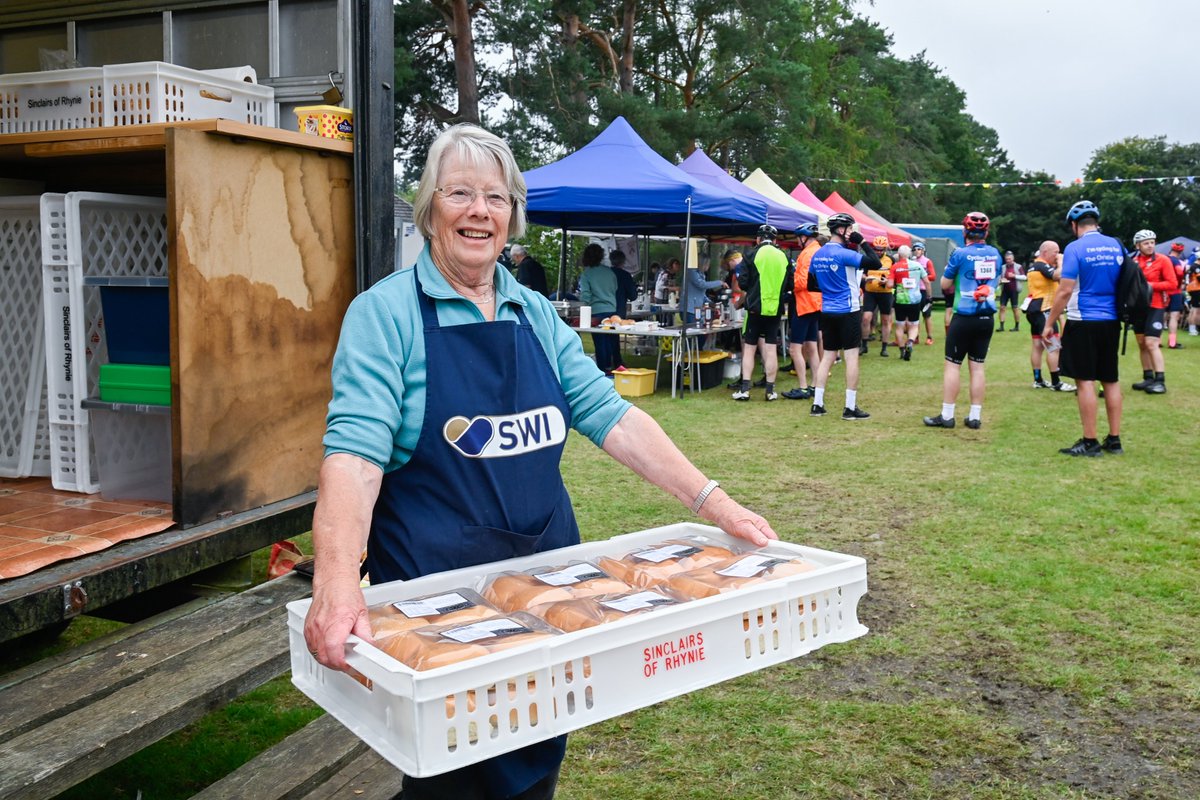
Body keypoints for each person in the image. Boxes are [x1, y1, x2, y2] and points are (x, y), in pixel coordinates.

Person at [303, 123, 778, 800]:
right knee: (455, 769)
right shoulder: (386, 317)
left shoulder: (534, 313)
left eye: (495, 198)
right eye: (460, 193)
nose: (479, 211)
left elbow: (613, 418)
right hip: (440, 605)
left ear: (512, 216)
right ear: (431, 207)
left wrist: (715, 502)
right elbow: (354, 460)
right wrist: (337, 580)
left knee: (535, 748)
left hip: (546, 589)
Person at [1042, 200, 1124, 457]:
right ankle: (1114, 439)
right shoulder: (1117, 245)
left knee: (1086, 381)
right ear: (1097, 222)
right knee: (1110, 380)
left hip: (1082, 319)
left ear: (1075, 225)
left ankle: (1090, 441)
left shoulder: (1075, 248)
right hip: (1111, 320)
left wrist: (1049, 322)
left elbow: (1065, 290)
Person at [923, 212, 1000, 430]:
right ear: (986, 232)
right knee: (977, 368)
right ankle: (975, 417)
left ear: (964, 231)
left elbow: (945, 284)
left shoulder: (960, 254)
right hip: (986, 317)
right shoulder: (995, 253)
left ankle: (947, 416)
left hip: (964, 316)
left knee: (953, 366)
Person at [808, 212, 880, 420]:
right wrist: (863, 241)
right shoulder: (845, 254)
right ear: (841, 230)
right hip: (848, 310)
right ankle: (850, 407)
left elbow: (811, 284)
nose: (852, 233)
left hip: (827, 310)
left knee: (828, 356)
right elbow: (874, 263)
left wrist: (829, 288)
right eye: (849, 229)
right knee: (851, 357)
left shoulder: (818, 254)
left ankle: (817, 404)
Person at [732, 224, 789, 401]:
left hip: (755, 308)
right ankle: (770, 391)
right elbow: (791, 285)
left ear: (758, 239)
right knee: (771, 348)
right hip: (775, 309)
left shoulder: (751, 254)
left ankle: (745, 389)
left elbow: (742, 284)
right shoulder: (783, 256)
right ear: (775, 240)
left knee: (749, 349)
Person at [1024, 240, 1075, 392]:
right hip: (1044, 309)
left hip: (1034, 310)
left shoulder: (1034, 266)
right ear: (1045, 252)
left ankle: (1038, 379)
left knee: (1038, 346)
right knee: (1054, 347)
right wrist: (1061, 262)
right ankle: (1056, 382)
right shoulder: (1041, 265)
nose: (1057, 255)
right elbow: (1057, 275)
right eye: (1055, 252)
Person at [1130, 229, 1174, 394]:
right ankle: (1148, 377)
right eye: (1146, 243)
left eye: (1152, 242)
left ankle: (1160, 380)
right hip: (1138, 308)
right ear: (1138, 245)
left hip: (1156, 305)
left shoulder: (1163, 260)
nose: (1150, 246)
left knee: (1151, 343)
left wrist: (1149, 286)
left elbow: (1172, 284)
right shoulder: (1133, 261)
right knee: (1142, 344)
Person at [783, 222, 822, 399]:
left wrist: (791, 287)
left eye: (799, 238)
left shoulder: (807, 254)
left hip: (804, 304)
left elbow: (803, 281)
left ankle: (803, 387)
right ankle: (816, 385)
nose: (798, 241)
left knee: (794, 349)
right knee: (812, 347)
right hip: (816, 304)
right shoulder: (819, 251)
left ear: (804, 237)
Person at [578, 243, 621, 372]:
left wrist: (582, 305)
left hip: (596, 311)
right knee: (613, 340)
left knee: (600, 342)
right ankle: (617, 365)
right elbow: (615, 288)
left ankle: (603, 368)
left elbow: (586, 295)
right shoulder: (609, 272)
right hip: (612, 310)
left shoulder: (587, 274)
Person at [889, 245, 926, 361]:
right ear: (910, 254)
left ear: (899, 255)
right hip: (915, 299)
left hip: (900, 300)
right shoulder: (918, 265)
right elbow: (927, 282)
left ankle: (902, 351)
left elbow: (889, 285)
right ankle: (910, 341)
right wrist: (929, 296)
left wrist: (891, 283)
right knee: (914, 324)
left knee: (900, 326)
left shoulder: (895, 267)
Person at [861, 234, 894, 357]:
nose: (878, 251)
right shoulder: (868, 259)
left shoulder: (890, 259)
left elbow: (894, 275)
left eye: (881, 249)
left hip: (885, 293)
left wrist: (889, 281)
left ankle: (884, 347)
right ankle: (864, 345)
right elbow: (862, 274)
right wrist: (866, 278)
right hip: (870, 292)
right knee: (866, 318)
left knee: (886, 320)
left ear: (885, 249)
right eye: (876, 249)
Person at [911, 241, 937, 345]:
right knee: (914, 316)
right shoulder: (911, 261)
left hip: (924, 290)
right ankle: (915, 336)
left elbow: (933, 276)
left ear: (923, 250)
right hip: (914, 290)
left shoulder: (927, 261)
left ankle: (929, 337)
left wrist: (922, 276)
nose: (916, 251)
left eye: (919, 249)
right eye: (915, 249)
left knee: (926, 315)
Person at [1165, 242, 1186, 348]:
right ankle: (1172, 342)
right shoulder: (1177, 261)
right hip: (1175, 290)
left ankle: (1157, 341)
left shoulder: (1163, 259)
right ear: (1181, 251)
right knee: (1174, 316)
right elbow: (1179, 272)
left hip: (1163, 290)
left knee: (1161, 315)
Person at [996, 251, 1022, 331]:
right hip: (1005, 290)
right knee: (1002, 307)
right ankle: (1001, 326)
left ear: (1013, 258)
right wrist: (1000, 280)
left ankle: (1017, 326)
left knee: (1015, 308)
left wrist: (1015, 276)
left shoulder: (1018, 267)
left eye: (1009, 259)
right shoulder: (1003, 267)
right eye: (1006, 259)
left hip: (1014, 290)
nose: (1008, 260)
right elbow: (999, 277)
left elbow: (1024, 277)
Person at [1187, 254, 1200, 336]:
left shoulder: (1193, 266)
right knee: (1195, 309)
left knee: (1194, 309)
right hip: (1196, 289)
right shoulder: (1196, 267)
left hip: (1193, 288)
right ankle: (1192, 329)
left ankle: (1193, 328)